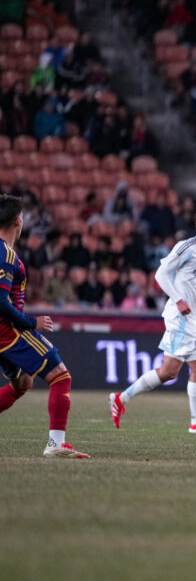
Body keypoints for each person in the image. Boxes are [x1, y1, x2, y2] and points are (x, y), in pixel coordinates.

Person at [110, 207, 196, 434]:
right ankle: (195, 422)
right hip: (180, 315)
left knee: (170, 372)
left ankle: (120, 398)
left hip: (190, 315)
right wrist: (179, 299)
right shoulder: (186, 247)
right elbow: (160, 274)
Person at [0, 195, 87, 458]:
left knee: (22, 383)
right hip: (9, 331)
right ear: (18, 221)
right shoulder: (5, 253)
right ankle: (55, 444)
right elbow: (1, 302)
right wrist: (31, 323)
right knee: (61, 376)